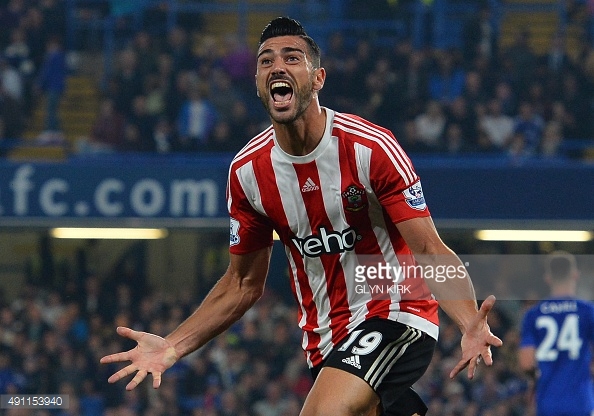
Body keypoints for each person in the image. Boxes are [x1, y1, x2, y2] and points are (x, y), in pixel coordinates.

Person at [100, 17, 502, 416]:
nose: (277, 66)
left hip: (397, 313)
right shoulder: (248, 173)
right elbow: (242, 284)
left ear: (318, 78)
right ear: (259, 83)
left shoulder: (370, 148)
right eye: (265, 61)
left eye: (292, 58)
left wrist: (468, 321)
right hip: (325, 343)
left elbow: (430, 248)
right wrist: (173, 345)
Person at [519, 251, 594, 416]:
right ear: (575, 275)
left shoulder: (533, 315)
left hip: (548, 402)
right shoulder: (587, 311)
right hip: (581, 401)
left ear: (548, 278)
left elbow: (526, 362)